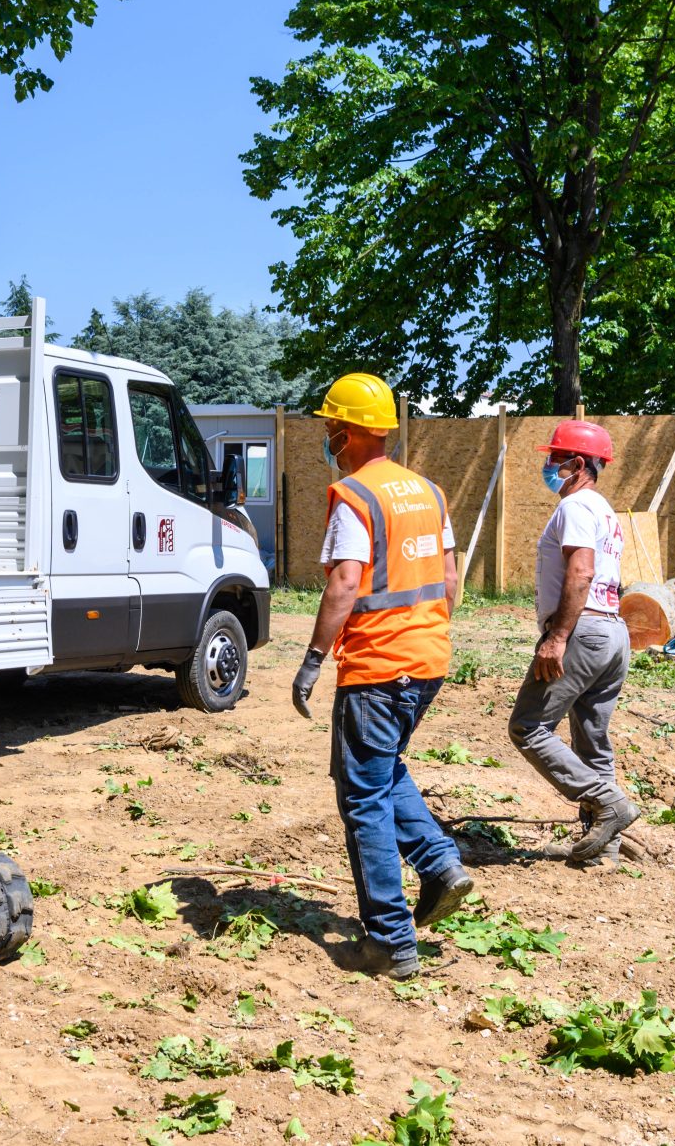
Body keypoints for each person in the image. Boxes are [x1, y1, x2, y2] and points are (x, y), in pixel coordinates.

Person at [290, 373, 474, 981]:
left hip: (375, 668)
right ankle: (442, 865)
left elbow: (345, 583)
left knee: (362, 794)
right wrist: (426, 632)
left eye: (328, 426)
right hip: (428, 660)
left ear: (344, 431)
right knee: (381, 768)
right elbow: (449, 577)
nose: (326, 435)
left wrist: (314, 660)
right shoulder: (428, 491)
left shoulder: (355, 497)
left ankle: (391, 941)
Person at [506, 419, 637, 866]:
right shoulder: (603, 510)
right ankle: (605, 849)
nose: (549, 466)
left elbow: (580, 571)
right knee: (591, 739)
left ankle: (610, 804)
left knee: (527, 727)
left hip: (583, 632)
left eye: (555, 459)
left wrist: (557, 636)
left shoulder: (576, 508)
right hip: (612, 633)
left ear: (578, 464)